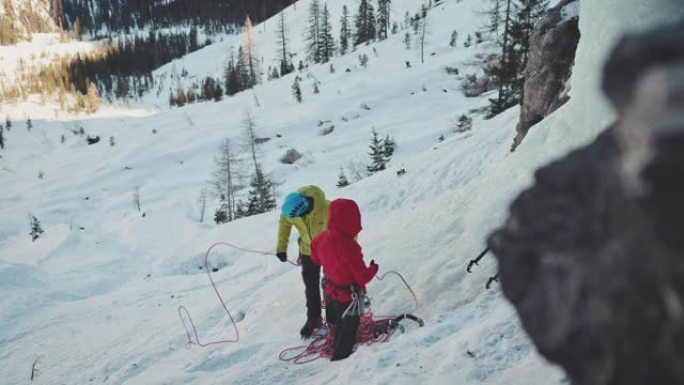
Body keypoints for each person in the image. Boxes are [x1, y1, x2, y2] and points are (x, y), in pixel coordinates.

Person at [311, 198, 378, 361]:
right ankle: (340, 357)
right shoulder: (350, 247)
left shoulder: (321, 238)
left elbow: (316, 259)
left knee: (341, 321)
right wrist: (373, 269)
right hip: (348, 296)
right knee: (350, 324)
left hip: (331, 290)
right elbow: (362, 277)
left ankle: (335, 345)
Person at [276, 185, 331, 338]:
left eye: (303, 214)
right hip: (308, 251)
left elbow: (345, 228)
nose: (300, 218)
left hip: (329, 251)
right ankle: (314, 319)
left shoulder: (328, 208)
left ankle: (334, 319)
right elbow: (284, 224)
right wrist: (281, 248)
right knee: (311, 286)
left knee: (331, 283)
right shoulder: (290, 211)